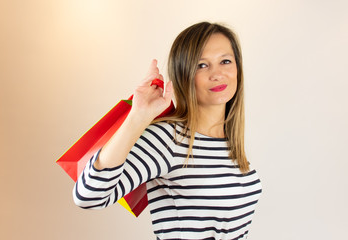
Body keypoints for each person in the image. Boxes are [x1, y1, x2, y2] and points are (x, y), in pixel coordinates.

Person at [73, 22, 262, 240]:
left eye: (225, 61)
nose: (217, 74)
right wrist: (138, 117)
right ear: (184, 75)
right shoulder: (169, 139)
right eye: (202, 65)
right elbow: (89, 196)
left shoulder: (229, 142)